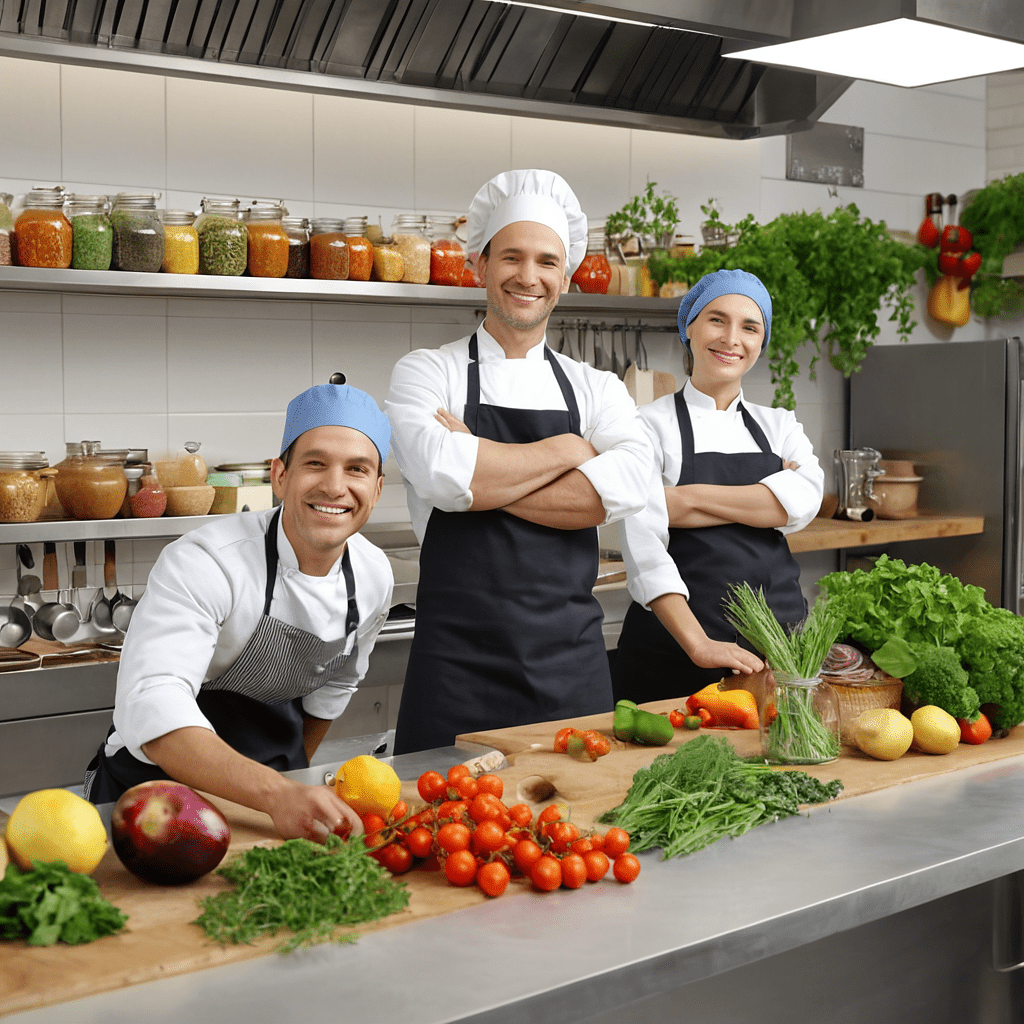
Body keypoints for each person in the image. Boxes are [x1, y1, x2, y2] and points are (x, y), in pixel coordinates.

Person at [385, 168, 652, 754]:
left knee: (577, 832)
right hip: (456, 665)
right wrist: (569, 451)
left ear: (565, 276)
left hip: (569, 665)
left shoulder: (597, 387)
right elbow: (443, 475)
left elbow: (626, 487)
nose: (528, 277)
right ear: (479, 265)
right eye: (511, 257)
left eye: (547, 262)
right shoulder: (428, 371)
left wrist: (481, 474)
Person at [84, 382, 394, 842]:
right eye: (315, 463)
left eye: (357, 469)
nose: (335, 486)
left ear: (377, 487)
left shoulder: (373, 575)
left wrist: (283, 787)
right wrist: (274, 793)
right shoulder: (206, 561)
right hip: (154, 804)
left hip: (268, 814)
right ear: (280, 476)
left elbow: (339, 682)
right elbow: (153, 703)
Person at [613, 268, 824, 704]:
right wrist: (699, 644)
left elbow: (802, 503)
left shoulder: (780, 425)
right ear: (689, 327)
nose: (732, 338)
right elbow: (645, 550)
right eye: (716, 319)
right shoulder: (647, 426)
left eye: (750, 327)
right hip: (675, 653)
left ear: (760, 344)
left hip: (775, 654)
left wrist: (684, 499)